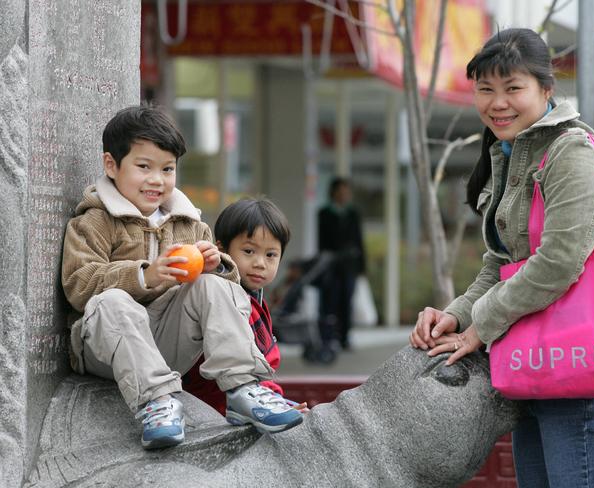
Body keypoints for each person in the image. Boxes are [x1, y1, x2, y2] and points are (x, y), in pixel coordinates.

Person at [409, 28, 594, 487]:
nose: (498, 102)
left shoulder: (570, 151)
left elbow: (560, 260)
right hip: (540, 365)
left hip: (588, 372)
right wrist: (455, 317)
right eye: (486, 90)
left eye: (513, 88)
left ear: (546, 89)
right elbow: (501, 264)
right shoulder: (511, 154)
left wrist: (483, 324)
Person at [61, 105, 302, 450]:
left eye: (167, 169)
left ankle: (243, 388)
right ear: (112, 165)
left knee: (213, 285)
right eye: (144, 167)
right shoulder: (95, 221)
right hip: (107, 342)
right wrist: (147, 275)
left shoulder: (189, 224)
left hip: (168, 338)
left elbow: (231, 294)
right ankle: (157, 402)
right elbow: (79, 283)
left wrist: (217, 266)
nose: (157, 180)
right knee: (112, 302)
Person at [183, 197, 308, 415]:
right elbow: (251, 366)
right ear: (221, 248)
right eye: (249, 251)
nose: (260, 263)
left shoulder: (255, 299)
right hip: (212, 409)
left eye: (271, 255)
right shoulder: (222, 297)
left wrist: (279, 401)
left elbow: (263, 368)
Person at [317, 177, 366, 354]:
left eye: (347, 191)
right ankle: (328, 337)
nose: (344, 194)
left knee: (347, 301)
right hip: (331, 266)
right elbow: (321, 243)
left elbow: (359, 241)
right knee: (330, 301)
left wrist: (362, 267)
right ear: (333, 192)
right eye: (341, 191)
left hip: (349, 266)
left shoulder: (353, 213)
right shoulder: (324, 213)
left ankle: (344, 338)